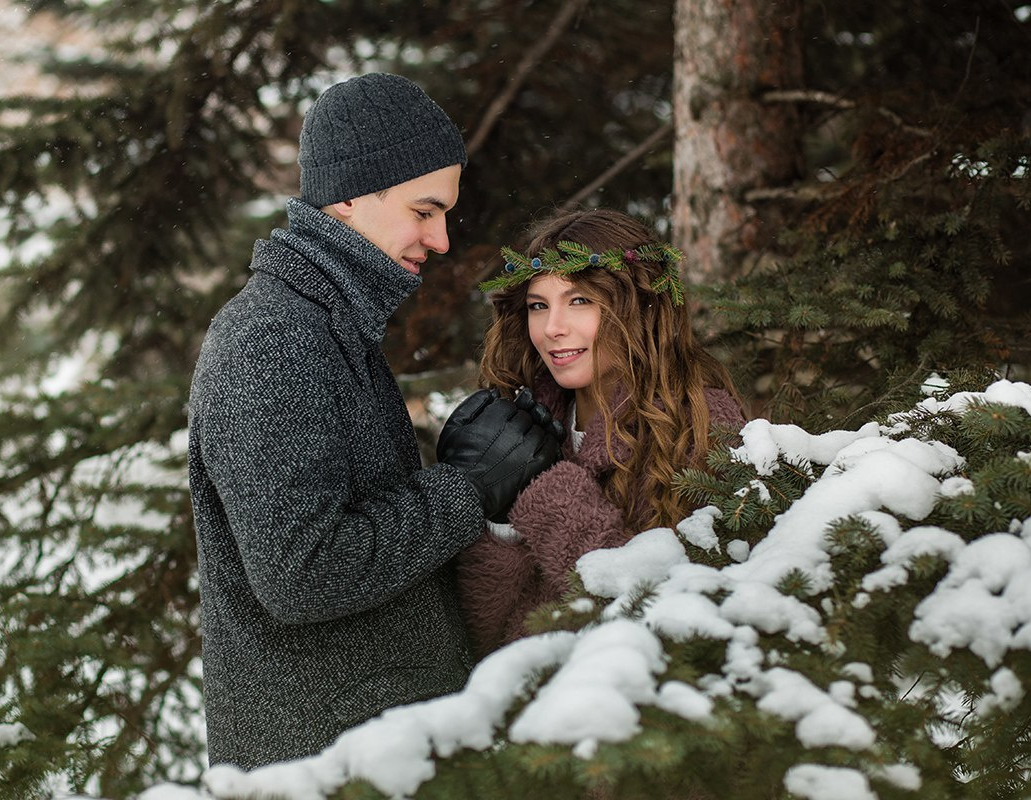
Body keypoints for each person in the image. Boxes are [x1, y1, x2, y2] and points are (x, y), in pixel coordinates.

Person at [187, 73, 560, 769]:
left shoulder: (329, 326)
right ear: (350, 196)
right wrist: (463, 489)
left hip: (374, 748)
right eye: (425, 210)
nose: (442, 238)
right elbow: (301, 574)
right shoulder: (273, 339)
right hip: (328, 763)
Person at [457, 208, 746, 657]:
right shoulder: (518, 422)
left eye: (579, 301)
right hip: (515, 700)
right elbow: (484, 625)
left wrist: (545, 487)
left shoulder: (704, 424)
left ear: (641, 306)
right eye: (539, 305)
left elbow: (654, 609)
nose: (552, 328)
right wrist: (487, 508)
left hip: (628, 704)